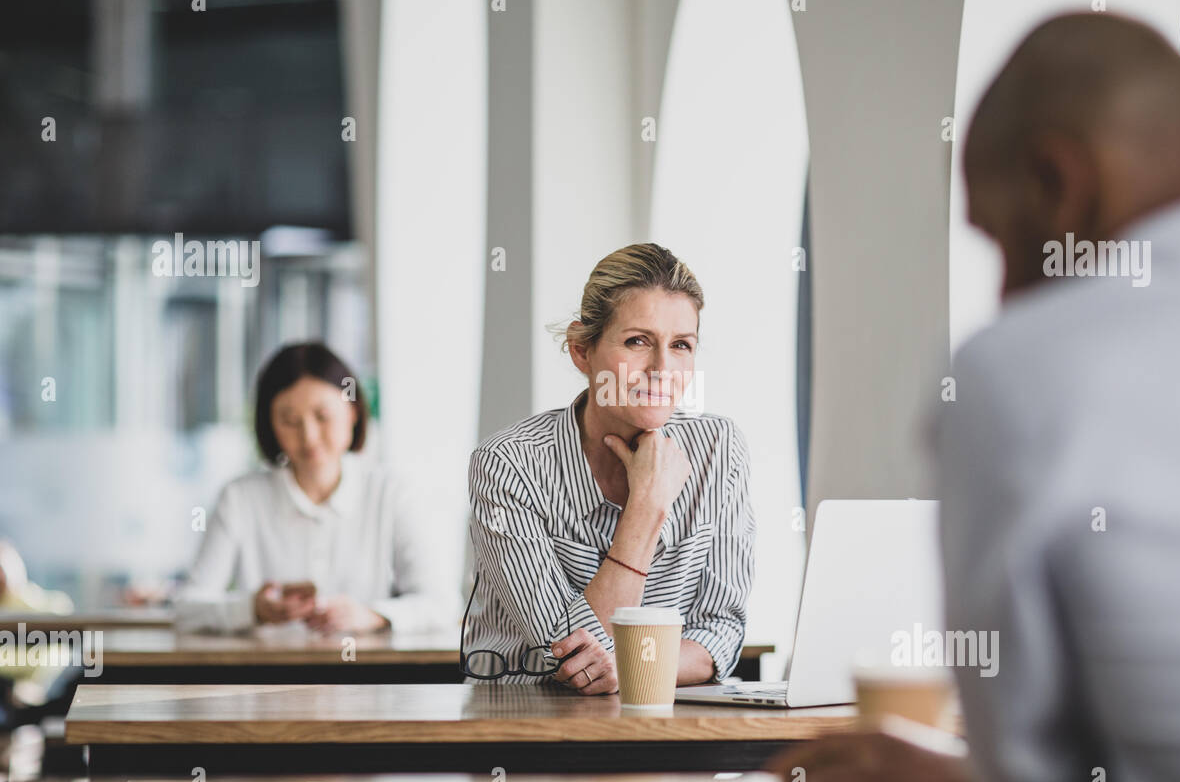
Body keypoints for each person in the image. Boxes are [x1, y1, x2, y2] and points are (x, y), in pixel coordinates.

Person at [770, 12, 1180, 782]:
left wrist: (984, 777)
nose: (1008, 291)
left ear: (1060, 183)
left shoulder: (1017, 368)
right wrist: (966, 776)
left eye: (1004, 241)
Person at [464, 242, 755, 692]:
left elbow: (721, 631)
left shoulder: (718, 449)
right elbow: (566, 653)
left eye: (681, 345)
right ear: (582, 351)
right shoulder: (508, 464)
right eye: (638, 341)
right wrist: (646, 508)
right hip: (529, 731)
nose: (662, 369)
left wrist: (636, 666)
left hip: (661, 730)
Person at [175, 342, 450, 635]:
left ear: (353, 412)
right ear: (269, 425)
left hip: (363, 677)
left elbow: (442, 604)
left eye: (322, 416)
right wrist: (253, 609)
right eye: (290, 421)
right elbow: (187, 609)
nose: (309, 436)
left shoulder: (391, 494)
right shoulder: (240, 498)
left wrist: (372, 615)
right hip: (265, 677)